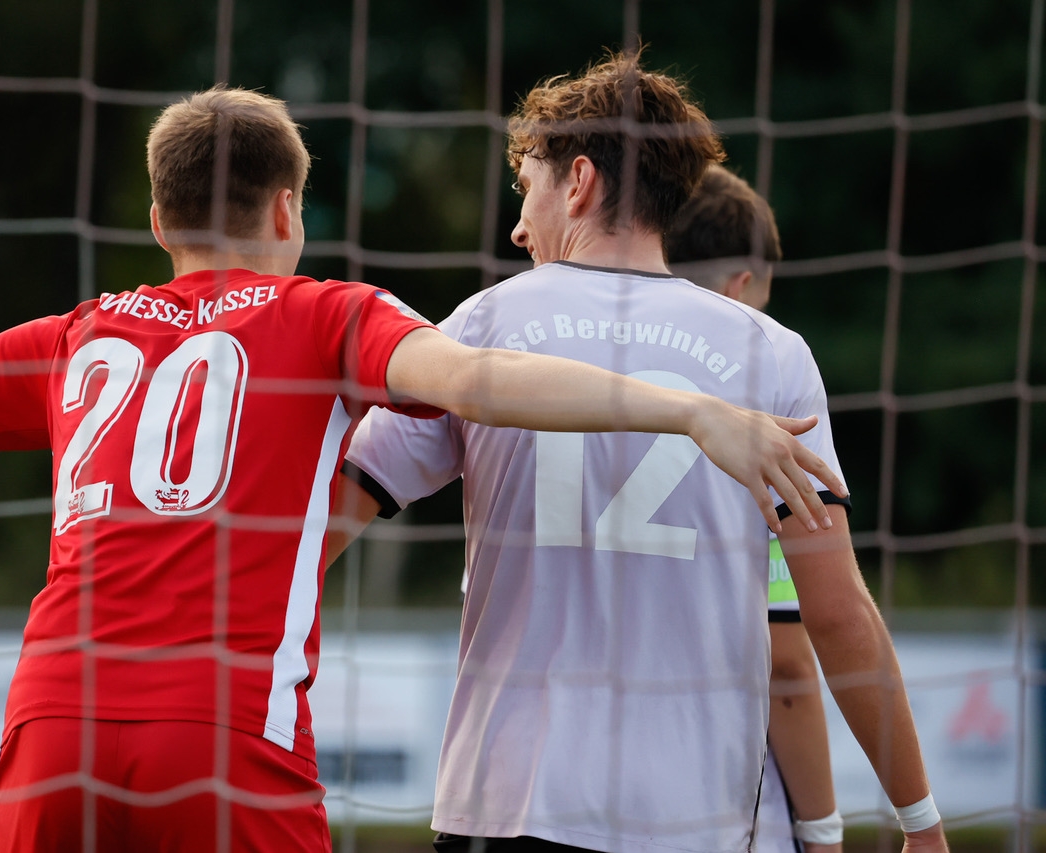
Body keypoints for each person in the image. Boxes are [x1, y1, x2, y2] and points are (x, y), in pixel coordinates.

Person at [0, 87, 844, 853]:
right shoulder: (324, 312)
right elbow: (475, 382)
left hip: (54, 727)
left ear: (157, 220)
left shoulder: (76, 330)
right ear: (289, 211)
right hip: (223, 732)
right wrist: (689, 409)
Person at [332, 50, 948, 853]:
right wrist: (920, 820)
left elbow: (326, 518)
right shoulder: (771, 352)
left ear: (579, 182)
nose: (518, 225)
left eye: (526, 186)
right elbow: (836, 615)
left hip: (507, 801)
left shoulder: (481, 329)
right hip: (693, 815)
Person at [666, 164, 841, 853]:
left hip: (548, 803)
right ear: (743, 285)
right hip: (718, 807)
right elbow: (787, 665)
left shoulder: (569, 388)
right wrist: (823, 832)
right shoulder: (764, 423)